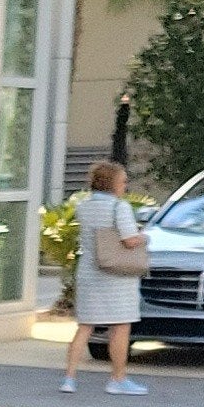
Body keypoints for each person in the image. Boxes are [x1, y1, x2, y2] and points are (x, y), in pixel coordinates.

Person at [60, 156, 147, 394]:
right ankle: (117, 379)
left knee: (85, 326)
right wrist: (145, 237)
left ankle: (69, 378)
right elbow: (129, 240)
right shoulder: (120, 207)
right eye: (123, 181)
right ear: (113, 183)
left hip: (89, 272)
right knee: (120, 326)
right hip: (117, 276)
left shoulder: (84, 206)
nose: (125, 185)